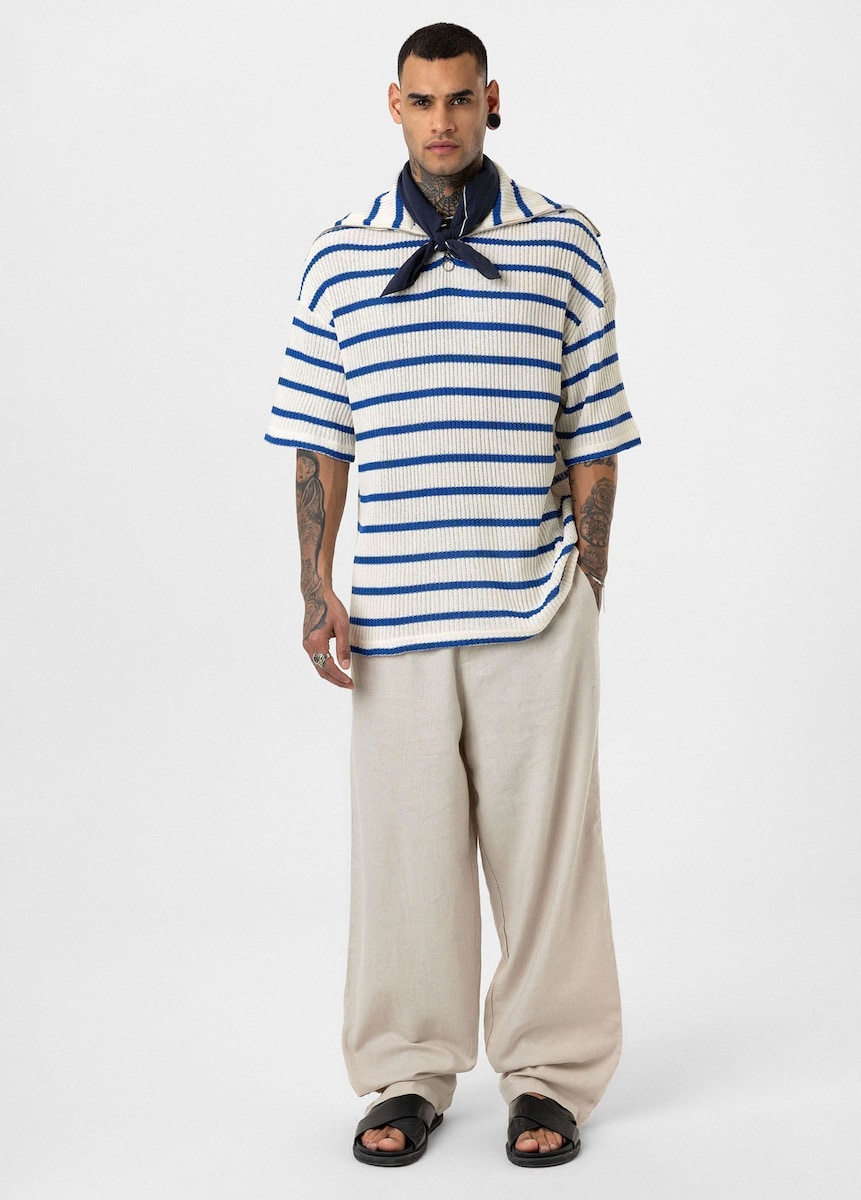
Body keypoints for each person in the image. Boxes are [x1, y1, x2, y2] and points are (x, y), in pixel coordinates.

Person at [266, 22, 641, 1168]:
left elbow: (595, 429)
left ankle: (550, 1077)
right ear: (394, 104)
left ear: (492, 101)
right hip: (396, 616)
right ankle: (405, 1070)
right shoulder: (339, 258)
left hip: (534, 608)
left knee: (550, 861)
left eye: (461, 99)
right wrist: (315, 587)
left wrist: (587, 589)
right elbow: (321, 437)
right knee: (402, 863)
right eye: (423, 100)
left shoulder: (563, 242)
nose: (442, 120)